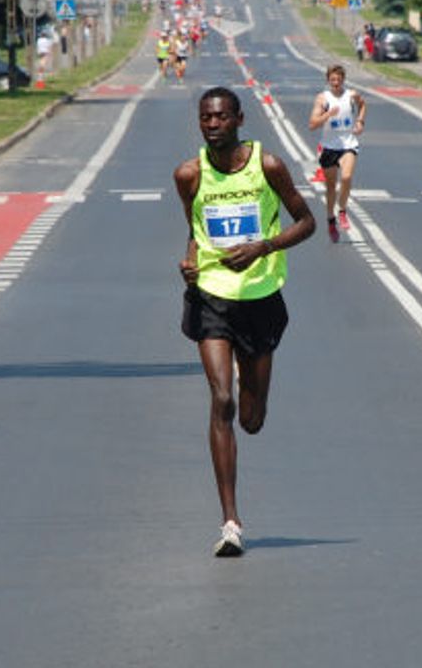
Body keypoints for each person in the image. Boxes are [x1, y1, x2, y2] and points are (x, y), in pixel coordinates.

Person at [174, 87, 316, 557]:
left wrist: (263, 247)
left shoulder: (268, 166)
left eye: (219, 117)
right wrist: (190, 260)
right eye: (204, 118)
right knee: (221, 401)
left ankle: (246, 377)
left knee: (252, 419)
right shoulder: (189, 175)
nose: (211, 125)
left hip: (261, 297)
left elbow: (306, 221)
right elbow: (194, 231)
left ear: (238, 119)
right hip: (211, 297)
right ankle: (230, 521)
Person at [308, 64, 366, 242]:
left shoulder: (351, 95)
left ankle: (342, 211)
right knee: (331, 187)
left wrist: (360, 122)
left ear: (343, 80)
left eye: (339, 80)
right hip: (329, 147)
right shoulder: (322, 99)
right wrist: (327, 115)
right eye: (332, 80)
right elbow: (312, 124)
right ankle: (331, 220)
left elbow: (363, 104)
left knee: (347, 177)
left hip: (348, 143)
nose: (336, 83)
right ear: (328, 80)